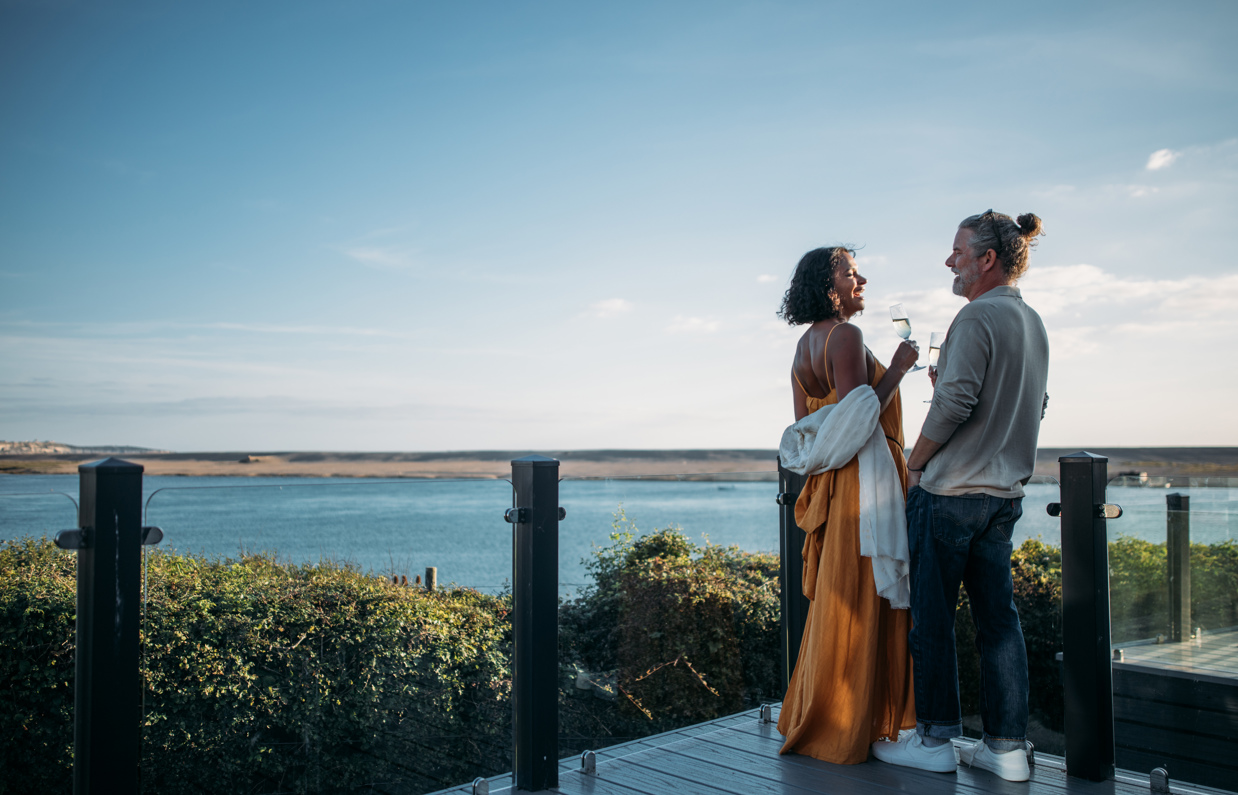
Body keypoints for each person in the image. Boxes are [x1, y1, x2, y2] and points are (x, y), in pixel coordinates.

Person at [871, 211, 1049, 782]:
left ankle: (933, 742)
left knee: (933, 621)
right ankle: (1007, 749)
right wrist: (948, 384)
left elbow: (954, 407)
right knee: (1000, 622)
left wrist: (914, 463)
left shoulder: (974, 317)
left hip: (950, 494)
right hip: (1003, 496)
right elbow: (1026, 405)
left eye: (957, 251)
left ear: (987, 259)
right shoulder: (1032, 321)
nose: (950, 260)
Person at [775, 246, 921, 764]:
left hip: (834, 486)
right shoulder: (846, 336)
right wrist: (900, 368)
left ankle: (834, 712)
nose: (862, 279)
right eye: (849, 272)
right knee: (866, 598)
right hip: (865, 483)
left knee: (840, 595)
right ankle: (862, 726)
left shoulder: (801, 350)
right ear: (827, 285)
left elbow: (808, 432)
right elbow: (858, 418)